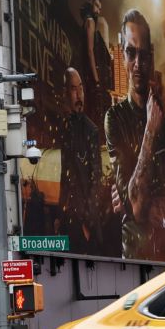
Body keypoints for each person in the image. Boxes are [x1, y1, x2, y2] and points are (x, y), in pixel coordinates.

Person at [105, 9, 165, 260]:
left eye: (144, 54)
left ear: (151, 57)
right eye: (131, 53)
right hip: (135, 259)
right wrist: (149, 131)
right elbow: (135, 207)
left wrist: (138, 199)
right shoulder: (115, 118)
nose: (138, 64)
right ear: (122, 55)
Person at [58, 67, 105, 252]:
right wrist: (59, 215)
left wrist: (87, 221)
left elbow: (96, 179)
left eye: (81, 88)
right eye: (73, 89)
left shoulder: (90, 131)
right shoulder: (64, 128)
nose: (79, 95)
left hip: (85, 222)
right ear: (64, 93)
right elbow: (65, 176)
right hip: (67, 218)